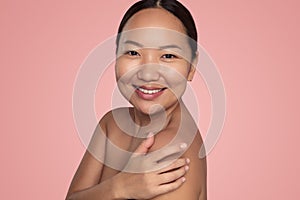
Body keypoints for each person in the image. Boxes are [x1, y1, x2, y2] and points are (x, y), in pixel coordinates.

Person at [66, 0, 207, 199]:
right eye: (133, 53)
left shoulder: (171, 155)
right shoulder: (111, 125)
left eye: (168, 56)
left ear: (192, 66)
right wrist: (119, 187)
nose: (148, 75)